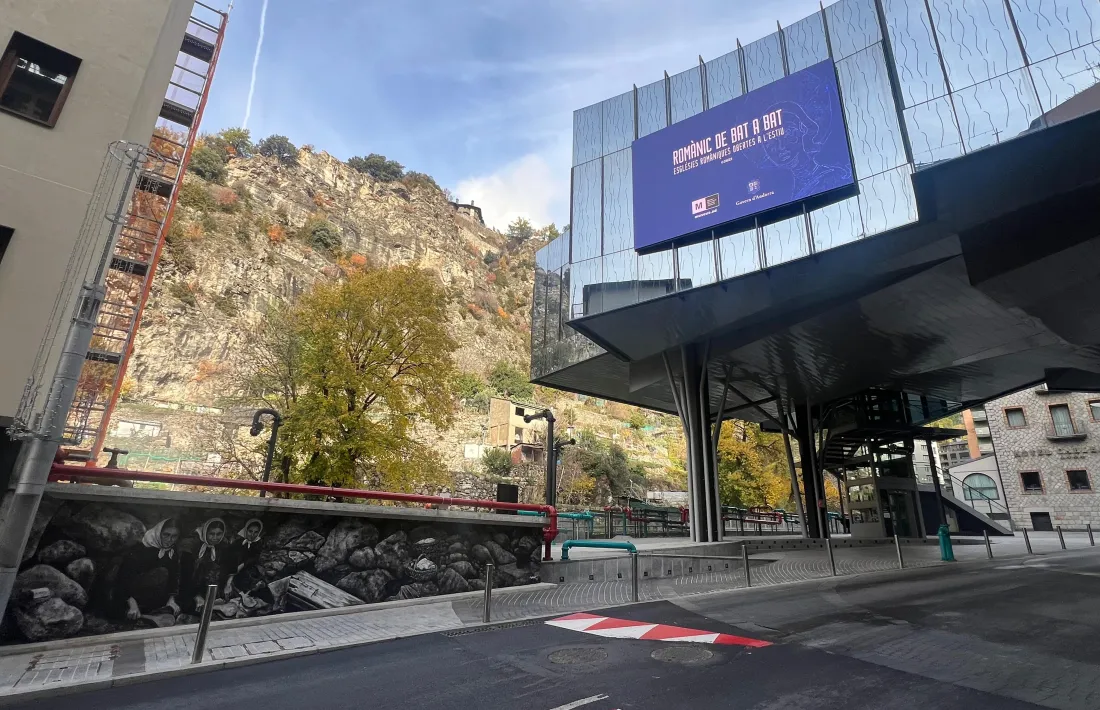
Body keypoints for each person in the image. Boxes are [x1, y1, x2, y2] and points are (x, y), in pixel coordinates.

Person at [115, 518, 183, 620]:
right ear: (159, 532)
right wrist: (132, 603)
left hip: (153, 594)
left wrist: (171, 599)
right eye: (166, 535)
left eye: (174, 536)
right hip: (131, 594)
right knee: (161, 572)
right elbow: (123, 578)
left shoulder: (172, 551)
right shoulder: (141, 549)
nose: (170, 540)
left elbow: (174, 576)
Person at [189, 517, 229, 611]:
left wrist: (227, 585)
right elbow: (188, 574)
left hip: (214, 588)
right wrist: (197, 595)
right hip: (194, 588)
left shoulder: (223, 547)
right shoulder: (195, 547)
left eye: (219, 534)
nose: (215, 538)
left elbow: (226, 570)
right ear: (205, 533)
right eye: (211, 534)